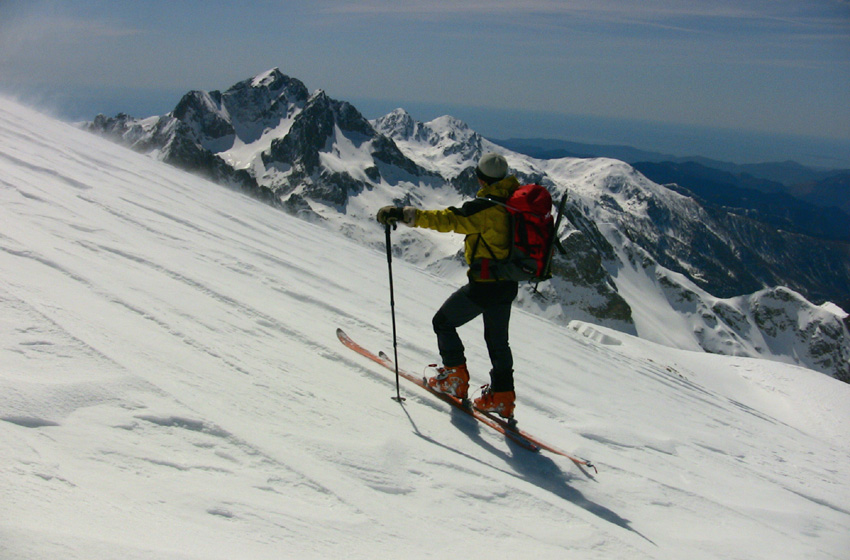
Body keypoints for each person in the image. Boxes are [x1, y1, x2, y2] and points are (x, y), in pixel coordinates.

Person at [377, 152, 520, 419]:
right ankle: (502, 396)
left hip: (484, 284)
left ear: (480, 178)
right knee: (498, 341)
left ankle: (455, 378)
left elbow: (446, 219)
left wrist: (401, 213)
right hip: (508, 283)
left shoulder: (484, 208)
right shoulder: (515, 201)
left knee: (443, 322)